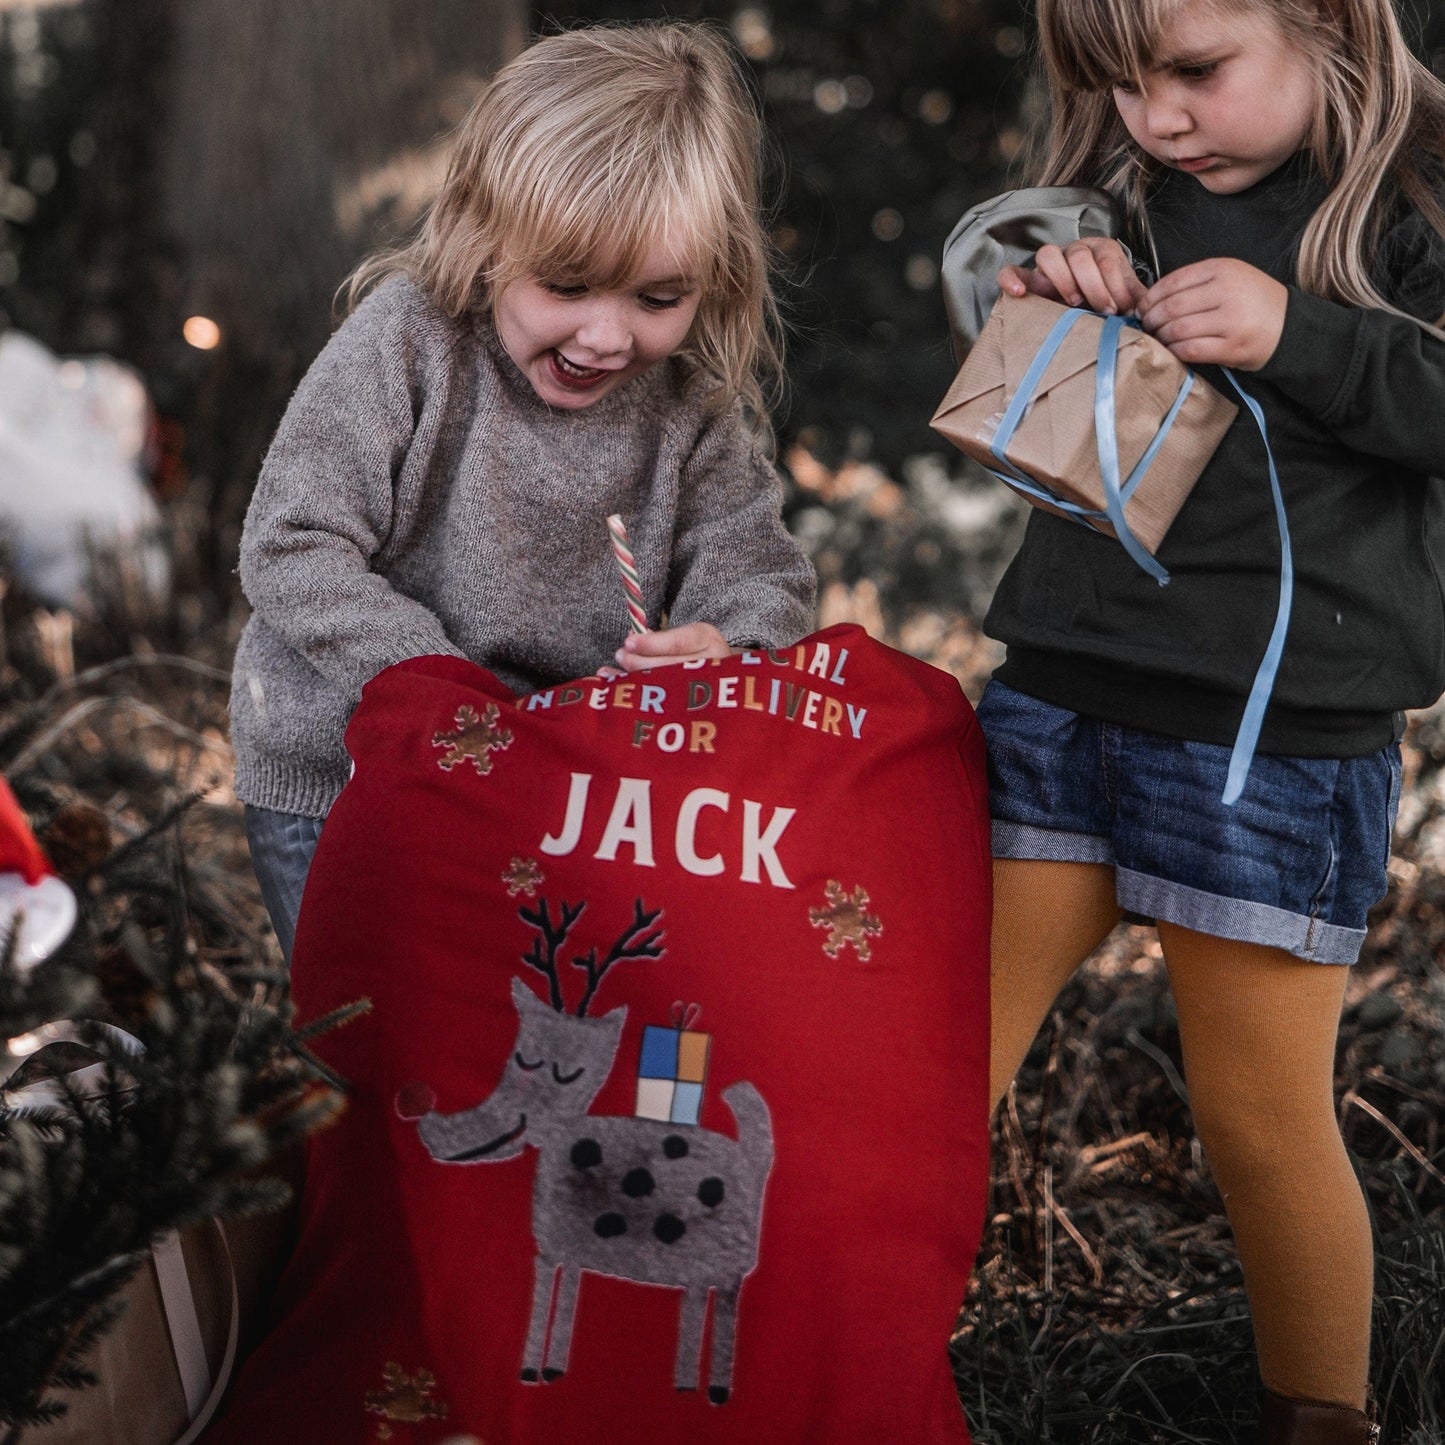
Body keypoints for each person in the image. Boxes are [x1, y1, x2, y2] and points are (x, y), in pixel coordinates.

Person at [953, 1, 1445, 1440]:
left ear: (1330, 21)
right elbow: (1023, 367)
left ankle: (1322, 1418)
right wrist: (1047, 281)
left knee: (1259, 1118)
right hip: (1055, 693)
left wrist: (1304, 334)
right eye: (1116, 84)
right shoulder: (1126, 185)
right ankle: (853, 1365)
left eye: (1192, 72)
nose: (1154, 118)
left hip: (1271, 745)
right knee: (935, 1068)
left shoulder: (1415, 184)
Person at [229, 22, 816, 962]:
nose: (605, 336)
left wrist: (726, 650)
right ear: (486, 232)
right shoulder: (408, 345)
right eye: (568, 284)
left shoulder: (692, 412)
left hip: (559, 803)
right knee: (375, 1042)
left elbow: (760, 576)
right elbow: (293, 541)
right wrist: (442, 694)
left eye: (657, 299)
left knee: (514, 1054)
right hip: (345, 775)